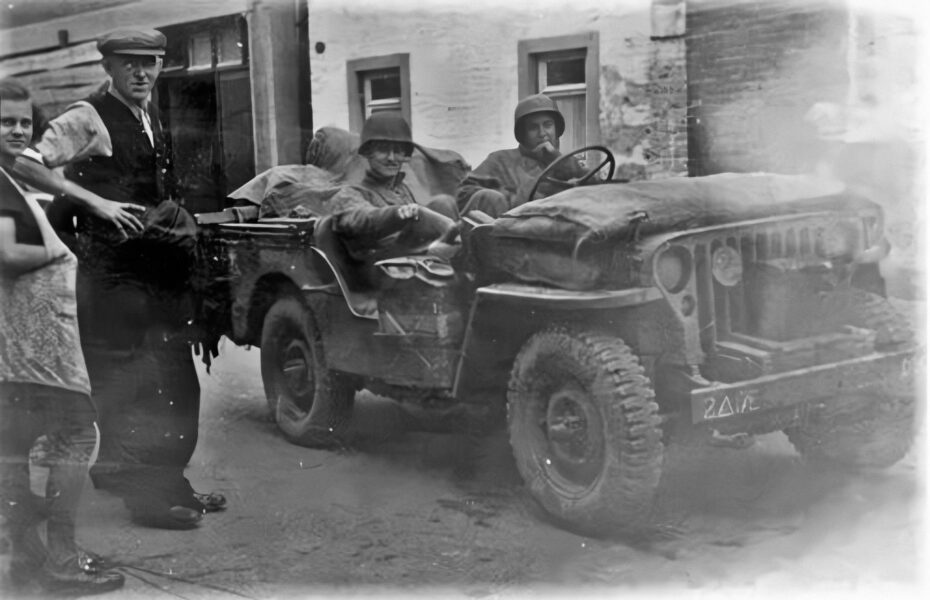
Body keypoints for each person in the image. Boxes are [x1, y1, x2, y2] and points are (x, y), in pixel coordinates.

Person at [33, 28, 225, 530]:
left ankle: (166, 482)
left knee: (176, 386)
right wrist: (94, 203)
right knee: (139, 390)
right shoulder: (89, 115)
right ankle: (148, 498)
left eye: (152, 62)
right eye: (130, 64)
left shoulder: (147, 113)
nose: (142, 73)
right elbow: (27, 162)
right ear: (109, 67)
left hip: (156, 280)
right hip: (115, 285)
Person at [0, 78, 125, 595]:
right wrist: (53, 255)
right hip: (34, 349)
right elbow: (5, 254)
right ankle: (61, 559)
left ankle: (27, 559)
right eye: (5, 121)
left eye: (24, 122)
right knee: (78, 433)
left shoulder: (12, 176)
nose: (16, 130)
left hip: (15, 347)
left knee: (12, 446)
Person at [330, 112, 458, 265]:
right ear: (368, 153)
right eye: (383, 150)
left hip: (414, 261)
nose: (391, 158)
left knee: (445, 204)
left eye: (398, 151)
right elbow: (360, 221)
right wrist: (400, 213)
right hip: (383, 268)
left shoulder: (400, 190)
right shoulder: (349, 193)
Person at [456, 93, 586, 218]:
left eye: (548, 125)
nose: (542, 133)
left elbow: (596, 190)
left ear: (556, 128)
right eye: (533, 128)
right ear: (522, 134)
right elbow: (464, 193)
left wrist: (558, 160)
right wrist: (507, 200)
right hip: (511, 232)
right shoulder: (500, 160)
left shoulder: (567, 163)